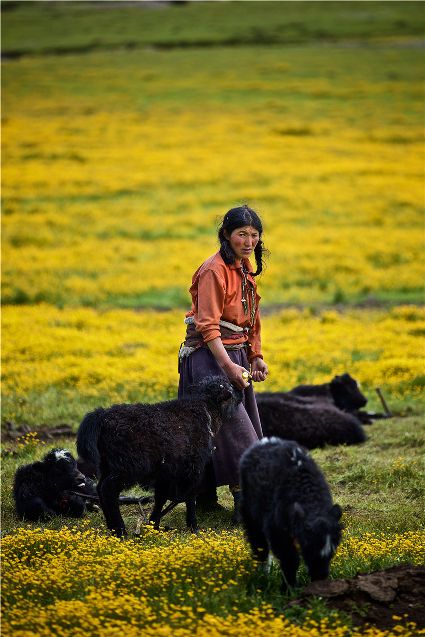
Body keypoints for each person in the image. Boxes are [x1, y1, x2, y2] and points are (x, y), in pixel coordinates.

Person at [178, 204, 269, 521]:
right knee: (234, 432)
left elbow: (251, 320)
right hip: (209, 360)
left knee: (228, 428)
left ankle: (208, 501)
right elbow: (207, 326)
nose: (249, 241)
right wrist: (228, 367)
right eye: (242, 234)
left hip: (235, 356)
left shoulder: (245, 270)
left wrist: (255, 356)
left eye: (254, 235)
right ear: (226, 235)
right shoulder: (213, 270)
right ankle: (238, 504)